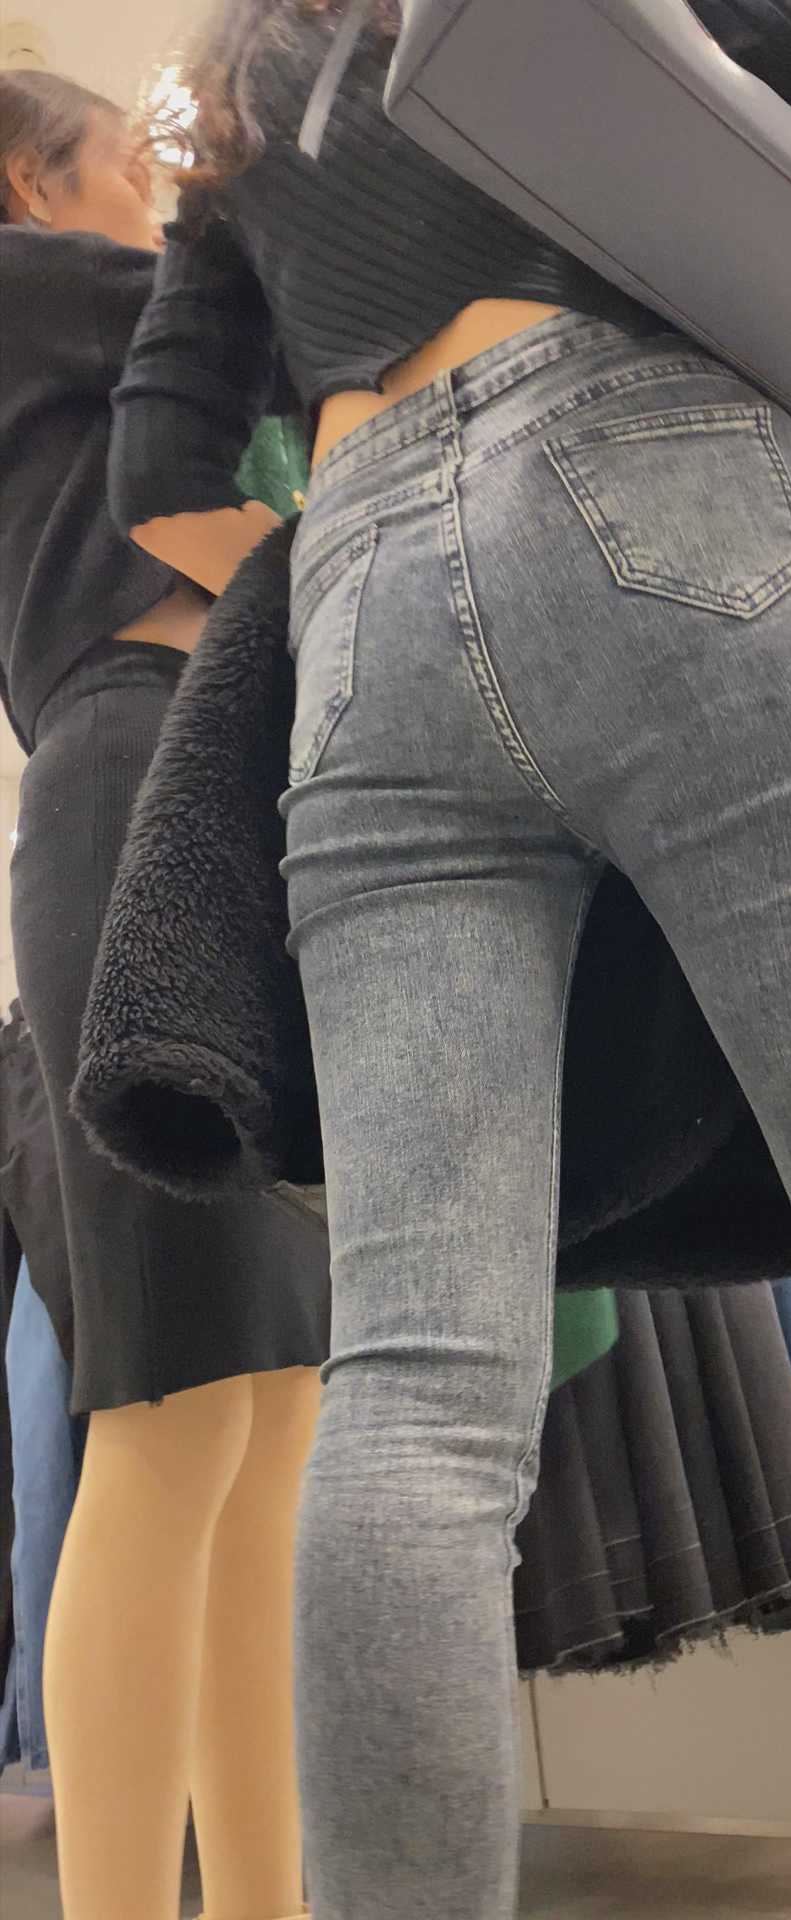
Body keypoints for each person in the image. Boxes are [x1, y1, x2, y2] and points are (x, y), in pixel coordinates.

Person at [110, 4, 791, 1917]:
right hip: (661, 454)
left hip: (356, 590)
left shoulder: (250, 80)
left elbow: (161, 466)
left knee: (417, 1392)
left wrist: (394, 553)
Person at [0, 71, 325, 1920]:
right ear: (27, 182)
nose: (157, 189)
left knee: (270, 1420)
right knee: (180, 1407)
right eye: (130, 161)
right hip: (133, 770)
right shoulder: (24, 286)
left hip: (221, 775)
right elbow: (248, 316)